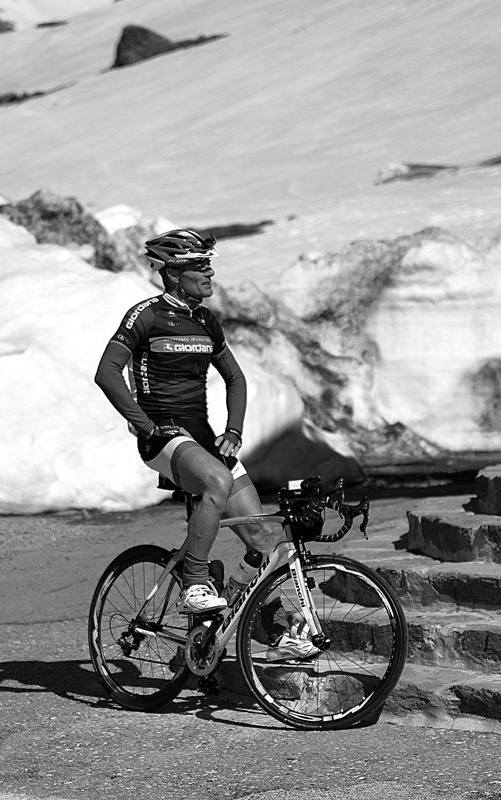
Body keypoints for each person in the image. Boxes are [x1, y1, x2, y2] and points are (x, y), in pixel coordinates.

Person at [94, 229, 318, 659]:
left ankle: (249, 628)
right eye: (200, 266)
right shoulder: (146, 315)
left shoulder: (205, 321)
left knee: (263, 539)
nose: (210, 273)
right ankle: (195, 582)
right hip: (163, 437)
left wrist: (233, 431)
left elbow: (235, 378)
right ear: (173, 274)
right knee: (217, 480)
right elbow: (107, 372)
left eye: (209, 264)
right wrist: (145, 426)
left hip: (200, 439)